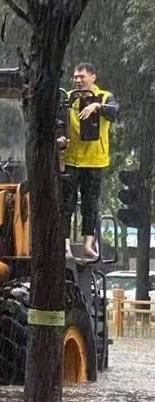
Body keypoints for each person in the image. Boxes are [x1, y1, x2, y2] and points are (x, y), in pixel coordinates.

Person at [62, 63, 119, 258]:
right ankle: (65, 243)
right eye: (75, 77)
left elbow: (114, 112)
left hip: (95, 161)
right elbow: (57, 119)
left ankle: (88, 244)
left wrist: (97, 106)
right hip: (71, 159)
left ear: (92, 77)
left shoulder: (104, 97)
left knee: (90, 204)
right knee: (66, 203)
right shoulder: (68, 97)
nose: (77, 80)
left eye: (82, 76)